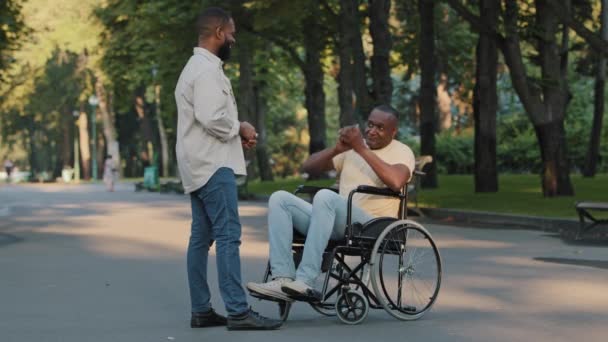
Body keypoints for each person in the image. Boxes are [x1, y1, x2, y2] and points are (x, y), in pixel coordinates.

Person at [174, 7, 281, 331]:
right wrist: (240, 127)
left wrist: (236, 133)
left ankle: (201, 310)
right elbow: (211, 117)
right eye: (232, 32)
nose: (234, 38)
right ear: (219, 32)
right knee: (228, 236)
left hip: (199, 162)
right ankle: (238, 311)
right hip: (211, 165)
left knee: (201, 238)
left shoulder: (197, 67)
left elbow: (208, 120)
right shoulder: (206, 71)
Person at [247, 105, 415, 301]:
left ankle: (305, 280)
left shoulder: (402, 151)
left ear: (393, 131)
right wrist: (336, 149)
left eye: (380, 127)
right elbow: (309, 167)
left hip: (371, 225)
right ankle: (282, 278)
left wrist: (360, 148)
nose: (372, 131)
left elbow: (396, 181)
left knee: (325, 196)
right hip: (334, 220)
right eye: (370, 125)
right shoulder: (352, 150)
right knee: (279, 199)